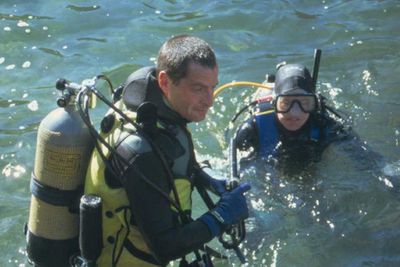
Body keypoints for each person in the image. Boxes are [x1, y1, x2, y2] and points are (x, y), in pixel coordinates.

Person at [84, 35, 251, 267]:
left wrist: (206, 177)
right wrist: (221, 217)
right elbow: (164, 247)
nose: (210, 100)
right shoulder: (139, 152)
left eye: (212, 87)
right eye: (199, 88)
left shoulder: (154, 106)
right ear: (164, 81)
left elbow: (171, 159)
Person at [233, 62, 350, 173]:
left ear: (313, 104)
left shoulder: (323, 124)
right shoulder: (252, 129)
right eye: (286, 103)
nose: (295, 113)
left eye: (304, 103)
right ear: (274, 103)